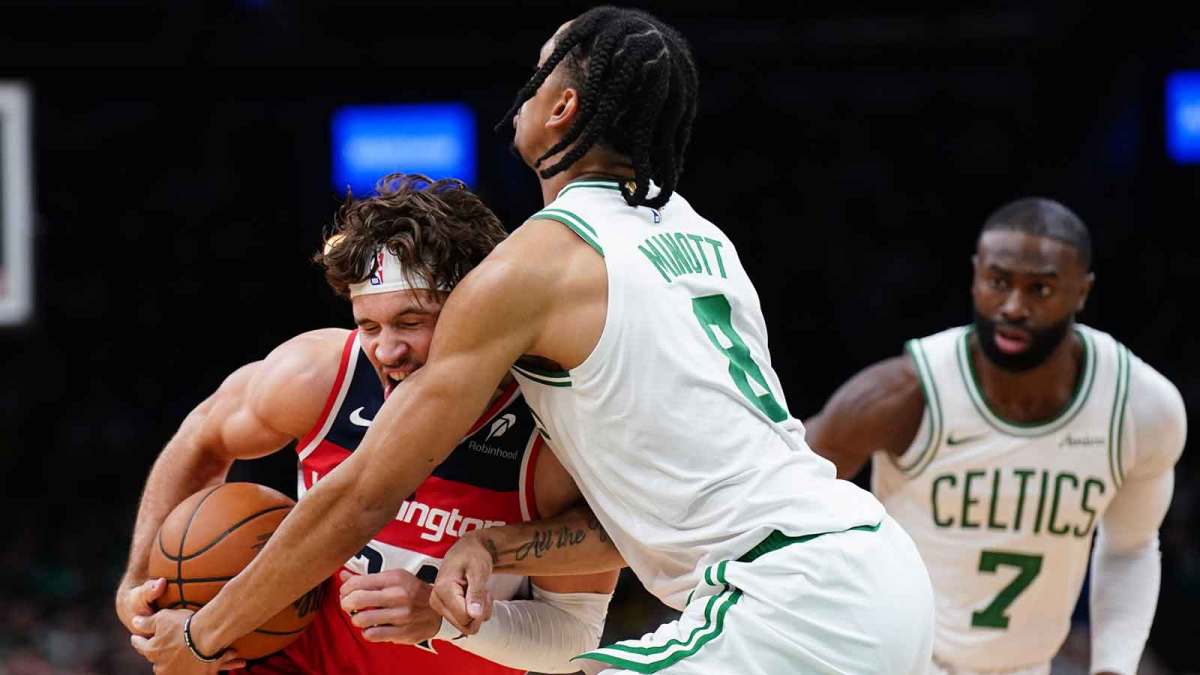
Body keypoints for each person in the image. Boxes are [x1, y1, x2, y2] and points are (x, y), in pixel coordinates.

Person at [134, 8, 934, 675]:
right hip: (867, 568)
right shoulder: (698, 235)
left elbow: (365, 490)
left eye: (534, 78)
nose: (518, 96)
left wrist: (206, 635)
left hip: (789, 593)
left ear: (561, 108)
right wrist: (495, 540)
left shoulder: (535, 264)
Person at [119, 174, 617, 674]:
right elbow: (201, 438)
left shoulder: (548, 430)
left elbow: (575, 640)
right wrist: (138, 581)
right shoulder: (320, 375)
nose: (386, 350)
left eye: (411, 322)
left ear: (479, 309)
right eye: (369, 325)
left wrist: (440, 618)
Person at [804, 197, 1187, 675]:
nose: (1013, 307)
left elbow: (1130, 547)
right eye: (998, 282)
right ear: (975, 275)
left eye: (1040, 289)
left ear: (1081, 292)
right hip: (898, 659)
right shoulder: (899, 395)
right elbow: (778, 501)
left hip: (1027, 666)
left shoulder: (1141, 408)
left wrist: (1113, 667)